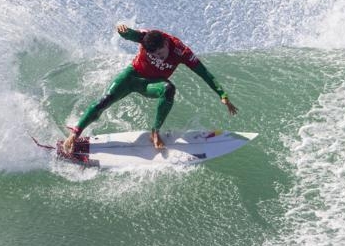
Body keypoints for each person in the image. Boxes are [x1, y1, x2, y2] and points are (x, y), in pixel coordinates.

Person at [63, 24, 238, 153]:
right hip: (131, 77)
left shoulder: (181, 51)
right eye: (153, 56)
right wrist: (122, 30)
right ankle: (75, 134)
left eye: (160, 54)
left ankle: (154, 132)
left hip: (151, 84)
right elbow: (131, 35)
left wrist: (222, 94)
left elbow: (204, 73)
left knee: (168, 89)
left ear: (166, 44)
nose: (158, 58)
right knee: (104, 101)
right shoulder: (146, 37)